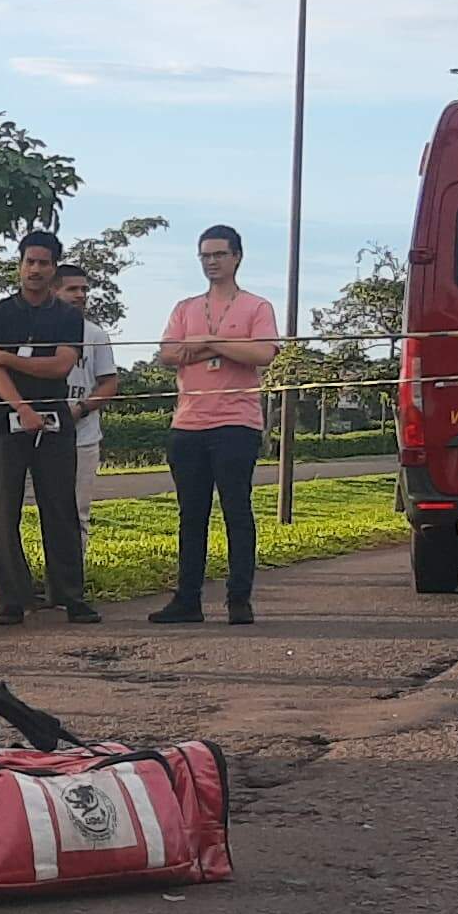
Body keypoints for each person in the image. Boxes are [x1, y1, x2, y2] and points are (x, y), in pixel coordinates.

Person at [150, 225, 282, 626]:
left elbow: (262, 353)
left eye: (219, 254)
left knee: (236, 511)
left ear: (237, 256)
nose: (212, 262)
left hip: (236, 424)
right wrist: (221, 346)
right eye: (205, 255)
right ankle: (187, 599)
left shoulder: (257, 306)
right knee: (192, 515)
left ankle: (238, 599)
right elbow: (168, 354)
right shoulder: (185, 307)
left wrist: (208, 341)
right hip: (188, 424)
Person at [0, 264, 118, 590]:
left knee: (73, 512)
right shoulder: (28, 325)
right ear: (54, 290)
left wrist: (82, 408)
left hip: (78, 434)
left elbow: (108, 382)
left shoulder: (94, 334)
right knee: (2, 503)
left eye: (84, 290)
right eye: (73, 289)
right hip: (23, 428)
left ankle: (66, 582)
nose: (80, 296)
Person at [0, 230, 101, 626]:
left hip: (54, 421)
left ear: (53, 268)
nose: (35, 269)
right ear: (20, 265)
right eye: (29, 262)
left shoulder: (67, 316)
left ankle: (70, 595)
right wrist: (20, 407)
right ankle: (12, 599)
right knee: (5, 508)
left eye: (43, 263)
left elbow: (61, 365)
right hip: (4, 423)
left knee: (60, 506)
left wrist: (8, 358)